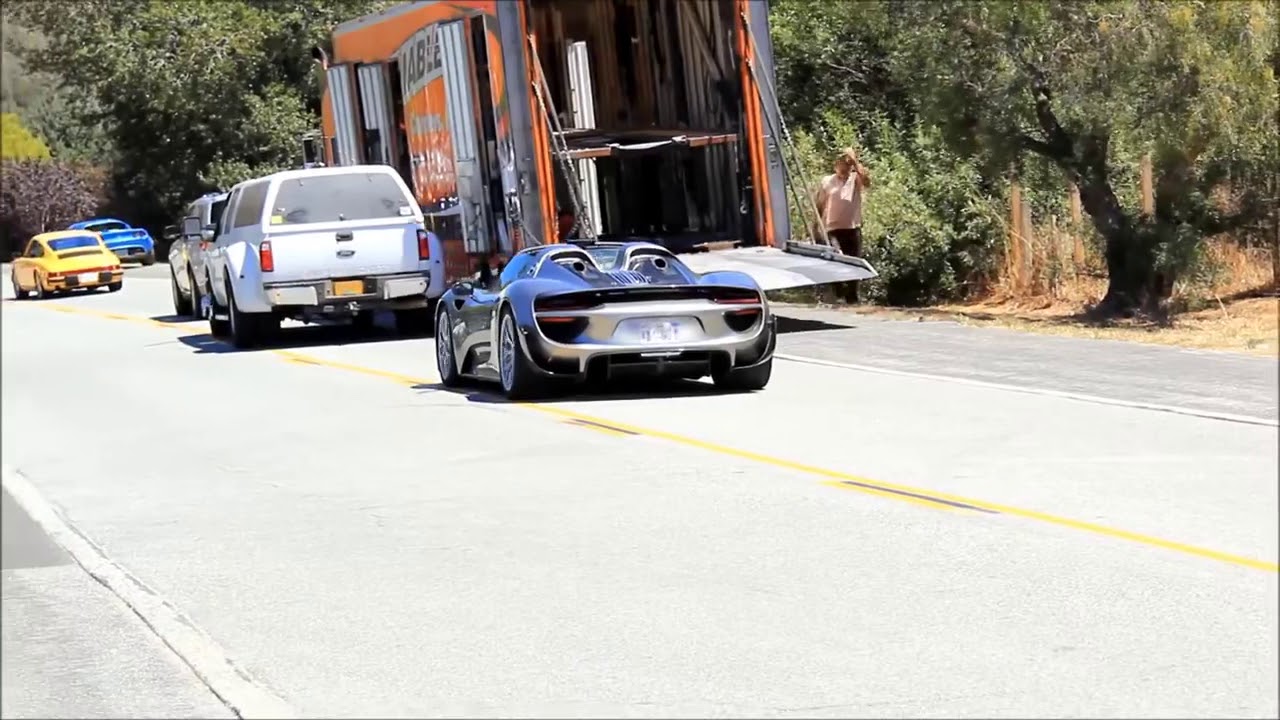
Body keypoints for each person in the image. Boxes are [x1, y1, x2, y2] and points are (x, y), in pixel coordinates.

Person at [814, 147, 872, 302]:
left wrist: (855, 161)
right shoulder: (827, 181)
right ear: (835, 165)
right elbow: (819, 204)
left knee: (854, 262)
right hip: (832, 228)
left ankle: (852, 296)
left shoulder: (855, 179)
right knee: (836, 256)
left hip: (852, 227)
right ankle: (838, 289)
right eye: (842, 164)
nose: (845, 168)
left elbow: (867, 181)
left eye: (848, 164)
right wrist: (816, 227)